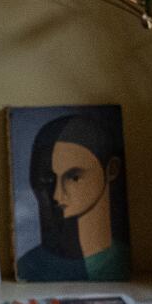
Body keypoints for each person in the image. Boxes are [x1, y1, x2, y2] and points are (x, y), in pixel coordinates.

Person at [14, 111, 130, 282]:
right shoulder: (27, 268)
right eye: (47, 178)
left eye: (74, 177)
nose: (56, 194)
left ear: (111, 170)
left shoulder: (122, 263)